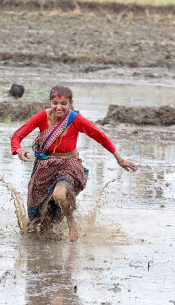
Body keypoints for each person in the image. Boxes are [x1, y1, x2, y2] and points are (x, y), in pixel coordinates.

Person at [11, 85, 137, 242]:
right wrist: (19, 150)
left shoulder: (75, 119)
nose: (59, 107)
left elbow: (100, 136)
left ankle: (72, 223)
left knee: (59, 194)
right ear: (50, 102)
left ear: (70, 104)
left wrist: (120, 159)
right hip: (45, 168)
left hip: (68, 166)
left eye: (63, 103)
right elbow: (17, 135)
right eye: (55, 103)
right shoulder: (42, 117)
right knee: (41, 222)